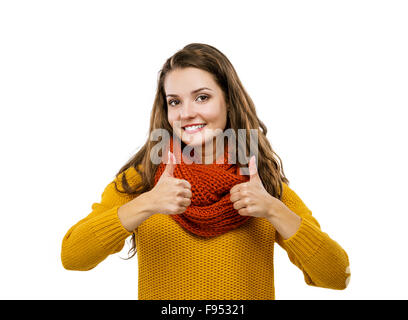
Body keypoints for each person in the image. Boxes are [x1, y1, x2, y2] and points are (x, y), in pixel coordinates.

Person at [61, 43, 351, 300]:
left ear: (228, 100)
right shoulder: (145, 180)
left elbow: (337, 276)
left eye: (202, 97)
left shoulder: (259, 182)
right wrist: (148, 203)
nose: (186, 113)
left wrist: (274, 210)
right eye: (175, 101)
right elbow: (73, 256)